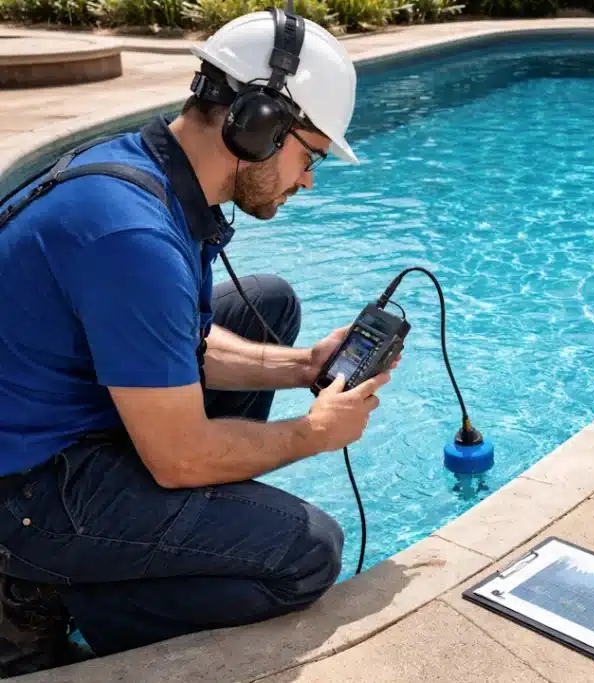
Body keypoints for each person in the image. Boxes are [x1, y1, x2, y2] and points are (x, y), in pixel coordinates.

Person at [0, 8, 396, 677]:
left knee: (268, 303)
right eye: (310, 155)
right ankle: (50, 596)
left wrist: (303, 367)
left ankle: (149, 543)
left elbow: (178, 340)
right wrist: (314, 433)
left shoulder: (149, 174)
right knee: (306, 553)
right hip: (24, 493)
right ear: (257, 126)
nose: (308, 179)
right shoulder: (134, 238)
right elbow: (178, 459)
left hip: (52, 422)